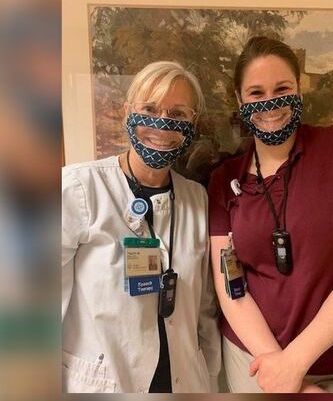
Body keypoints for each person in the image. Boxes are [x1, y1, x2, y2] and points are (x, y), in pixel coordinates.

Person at [207, 36, 333, 393]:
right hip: (256, 364)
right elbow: (230, 286)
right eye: (256, 93)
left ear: (299, 91)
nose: (270, 102)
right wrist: (281, 373)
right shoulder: (225, 180)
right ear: (240, 101)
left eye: (282, 88)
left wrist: (295, 362)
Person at [62, 61, 221, 393]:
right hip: (104, 381)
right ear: (127, 112)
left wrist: (211, 374)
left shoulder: (196, 198)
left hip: (182, 378)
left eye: (177, 114)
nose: (162, 123)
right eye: (149, 108)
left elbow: (205, 305)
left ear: (191, 124)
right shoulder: (79, 188)